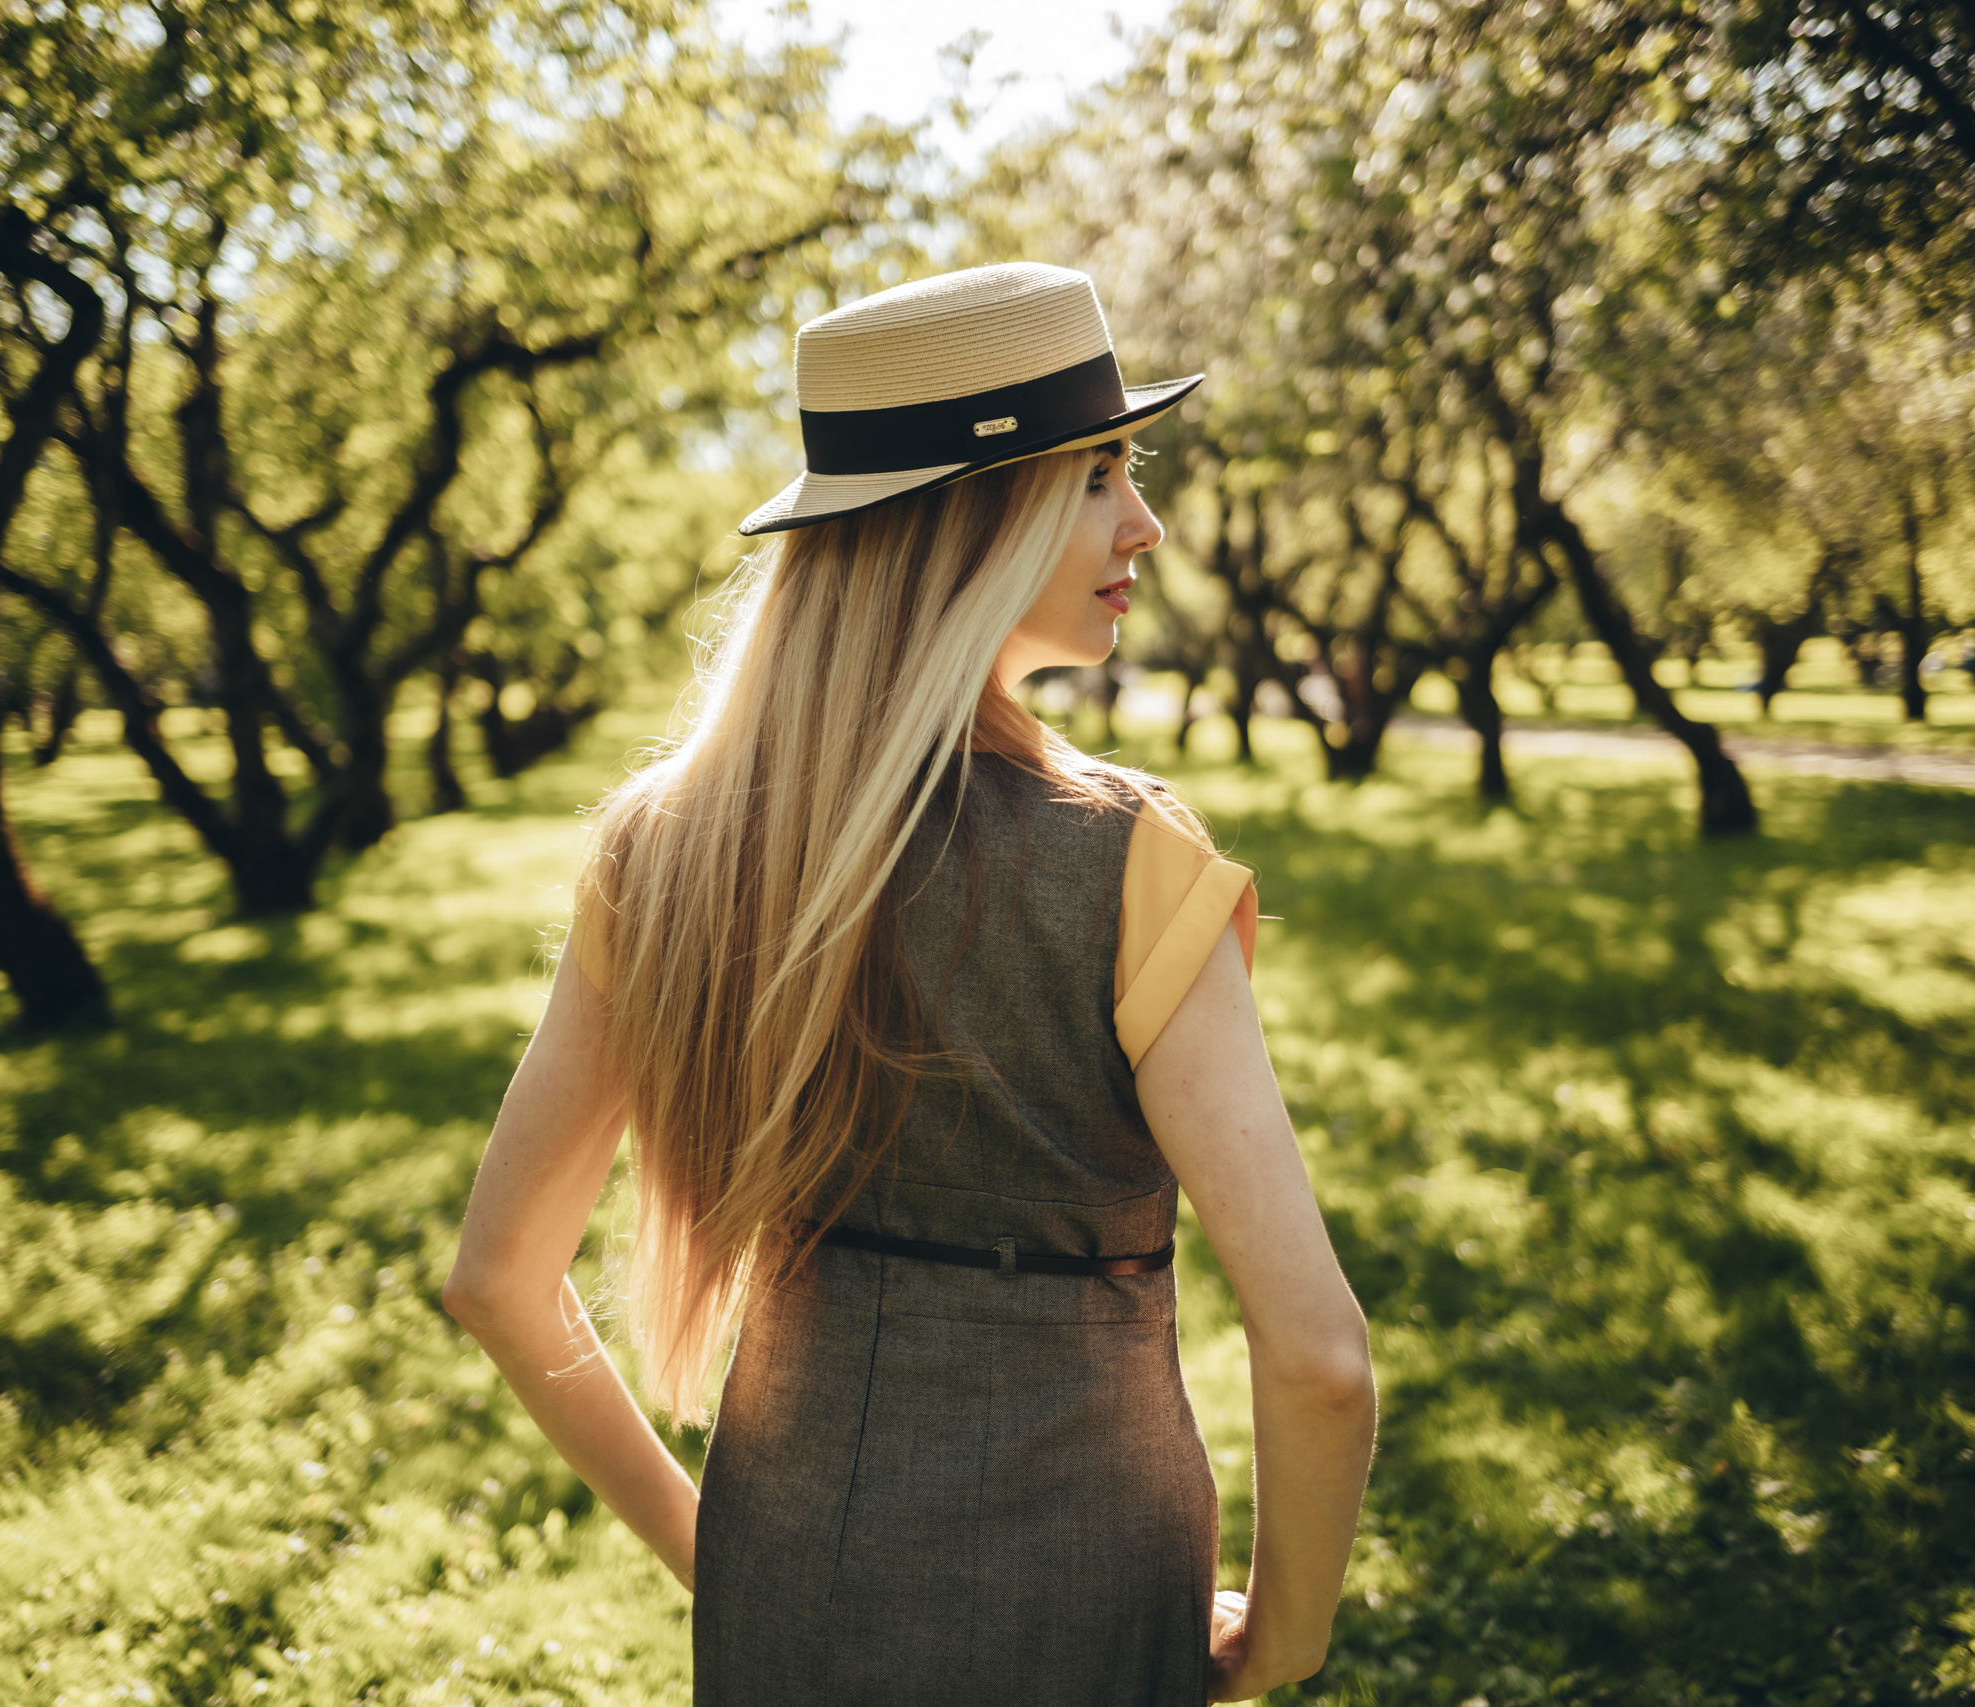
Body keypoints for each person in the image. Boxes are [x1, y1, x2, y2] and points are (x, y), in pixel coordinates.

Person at [443, 264, 1377, 1706]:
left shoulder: (662, 853)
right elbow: (1319, 1357)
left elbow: (499, 1279)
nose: (1144, 522)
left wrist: (714, 1555)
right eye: (1097, 476)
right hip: (1089, 1584)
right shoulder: (1129, 861)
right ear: (968, 521)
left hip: (783, 1570)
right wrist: (1290, 1637)